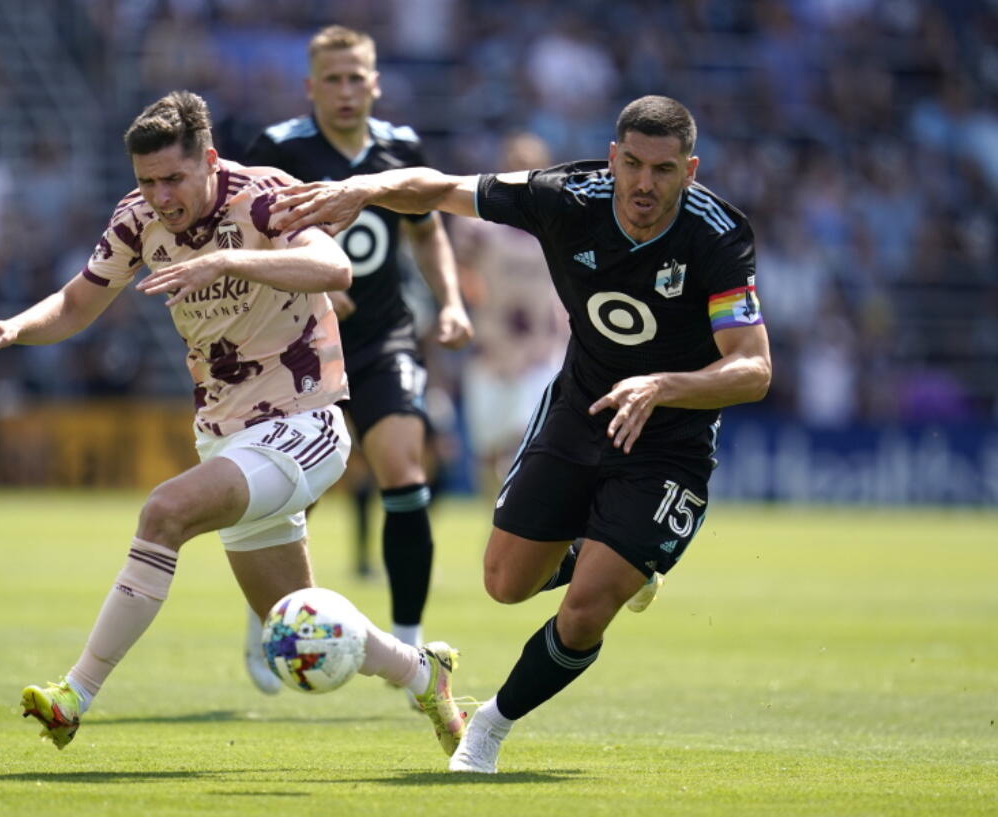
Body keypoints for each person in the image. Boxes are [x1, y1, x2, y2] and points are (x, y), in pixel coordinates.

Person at [270, 95, 772, 773]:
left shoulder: (717, 236)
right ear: (615, 157)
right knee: (505, 582)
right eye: (634, 165)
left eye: (664, 169)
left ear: (690, 169)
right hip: (580, 410)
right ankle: (614, 555)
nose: (645, 184)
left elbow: (753, 367)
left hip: (669, 443)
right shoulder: (565, 196)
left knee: (588, 607)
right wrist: (363, 187)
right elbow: (441, 189)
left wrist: (663, 386)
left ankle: (489, 726)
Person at [0, 90, 467, 757]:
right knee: (291, 621)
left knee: (164, 511)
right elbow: (75, 302)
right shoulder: (136, 220)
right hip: (227, 435)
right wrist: (15, 328)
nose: (161, 196)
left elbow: (334, 266)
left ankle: (74, 694)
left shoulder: (262, 196)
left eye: (173, 177)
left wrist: (231, 258)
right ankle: (422, 672)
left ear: (208, 159)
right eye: (147, 181)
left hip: (307, 420)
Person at [236, 27, 473, 685]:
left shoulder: (400, 149)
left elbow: (428, 236)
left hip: (384, 337)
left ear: (375, 83)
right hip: (305, 345)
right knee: (295, 494)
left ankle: (409, 642)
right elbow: (252, 243)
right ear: (311, 87)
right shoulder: (279, 149)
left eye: (355, 78)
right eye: (331, 80)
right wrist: (310, 285)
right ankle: (270, 623)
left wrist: (450, 301)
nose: (345, 91)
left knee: (404, 471)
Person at [452, 132, 569, 492]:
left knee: (525, 447)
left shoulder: (560, 224)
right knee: (488, 455)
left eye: (531, 165)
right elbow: (454, 271)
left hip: (540, 353)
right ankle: (501, 533)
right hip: (489, 351)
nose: (524, 172)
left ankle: (527, 533)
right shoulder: (478, 226)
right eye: (516, 164)